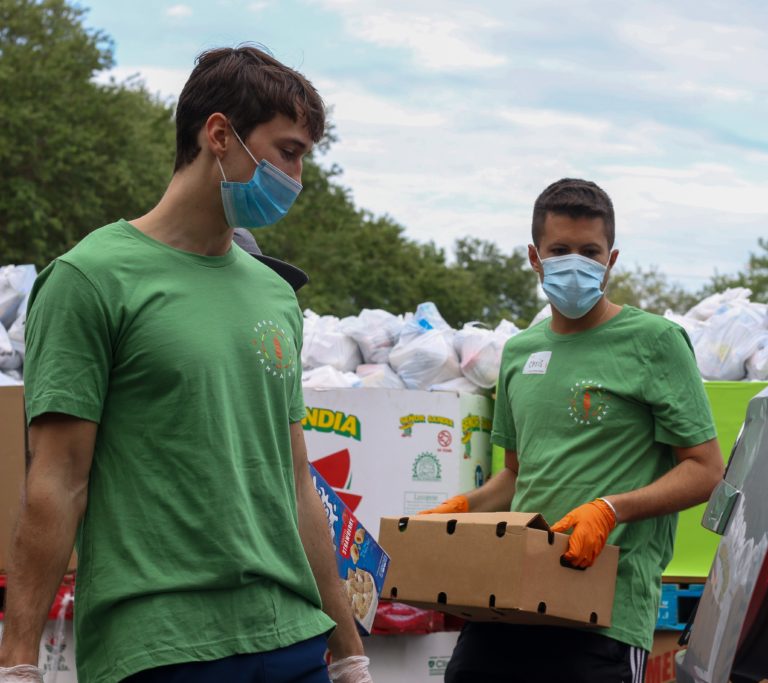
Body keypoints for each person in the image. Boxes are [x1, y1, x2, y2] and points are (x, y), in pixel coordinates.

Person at [0, 47, 372, 683]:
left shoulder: (275, 294)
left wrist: (348, 652)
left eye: (304, 154)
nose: (298, 176)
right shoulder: (90, 280)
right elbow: (57, 481)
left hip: (290, 638)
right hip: (161, 647)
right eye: (287, 151)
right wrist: (19, 662)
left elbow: (297, 480)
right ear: (220, 134)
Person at [427, 178, 724, 683]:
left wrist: (611, 510)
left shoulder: (656, 342)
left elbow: (705, 470)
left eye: (590, 252)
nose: (575, 262)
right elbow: (514, 478)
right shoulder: (520, 352)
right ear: (534, 257)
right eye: (559, 250)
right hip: (510, 598)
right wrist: (458, 511)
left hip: (602, 613)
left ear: (611, 261)